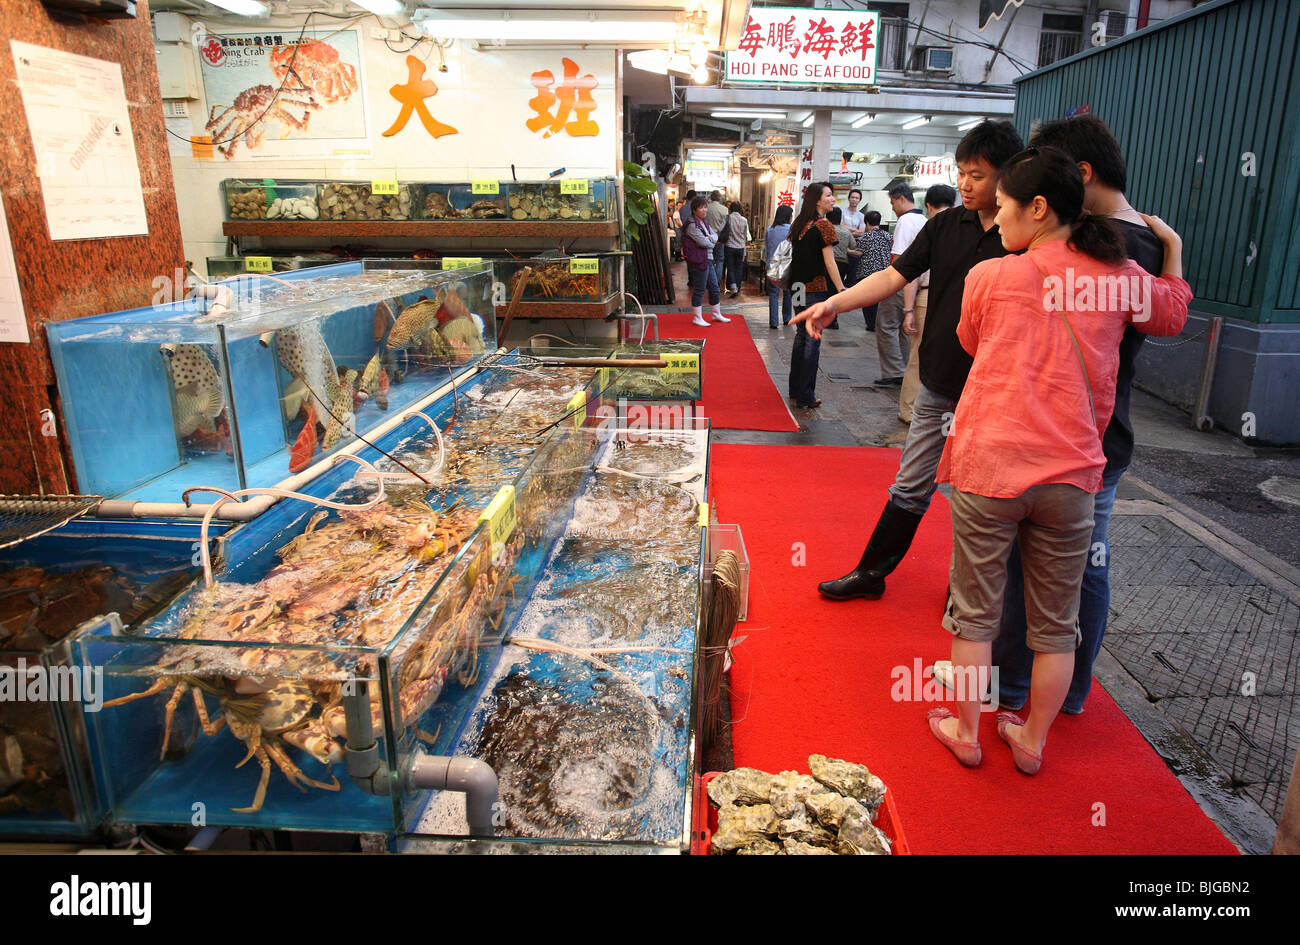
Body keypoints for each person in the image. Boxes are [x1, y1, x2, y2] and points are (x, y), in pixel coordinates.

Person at [924, 146, 1190, 773]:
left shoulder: (992, 274)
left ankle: (965, 730)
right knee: (1055, 624)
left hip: (989, 467)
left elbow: (969, 339)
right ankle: (1031, 740)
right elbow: (1173, 314)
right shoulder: (1121, 274)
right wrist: (1171, 247)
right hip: (1071, 476)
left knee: (974, 616)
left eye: (1005, 207)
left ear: (1037, 209)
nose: (998, 218)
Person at [792, 120, 1024, 602]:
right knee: (910, 482)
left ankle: (967, 594)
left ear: (1009, 175)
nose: (965, 183)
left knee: (978, 496)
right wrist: (836, 303)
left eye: (977, 174)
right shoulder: (945, 224)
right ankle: (871, 573)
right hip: (940, 378)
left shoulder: (1023, 235)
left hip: (997, 389)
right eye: (962, 172)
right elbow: (895, 277)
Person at [899, 184, 957, 422]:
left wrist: (908, 310)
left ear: (928, 206)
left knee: (918, 355)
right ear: (953, 205)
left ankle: (910, 410)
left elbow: (909, 275)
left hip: (925, 296)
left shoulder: (926, 230)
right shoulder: (961, 231)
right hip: (954, 299)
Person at [787, 181, 844, 409]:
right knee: (812, 339)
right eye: (829, 195)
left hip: (798, 287)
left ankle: (795, 388)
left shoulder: (801, 224)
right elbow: (830, 262)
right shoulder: (823, 225)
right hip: (814, 289)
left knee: (801, 336)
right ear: (817, 200)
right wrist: (841, 289)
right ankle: (806, 396)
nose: (832, 199)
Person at [872, 183, 926, 386]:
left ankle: (894, 371)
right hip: (919, 282)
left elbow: (898, 256)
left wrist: (890, 282)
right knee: (905, 328)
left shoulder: (905, 221)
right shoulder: (924, 220)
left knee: (886, 324)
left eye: (893, 202)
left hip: (902, 281)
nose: (893, 207)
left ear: (902, 198)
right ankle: (903, 368)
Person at [682, 196, 729, 327]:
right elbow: (704, 242)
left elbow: (714, 237)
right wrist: (709, 240)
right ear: (694, 209)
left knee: (714, 287)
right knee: (700, 289)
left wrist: (709, 239)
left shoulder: (704, 222)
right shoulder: (691, 224)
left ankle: (716, 314)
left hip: (708, 259)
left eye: (705, 207)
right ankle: (697, 317)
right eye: (701, 208)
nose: (704, 210)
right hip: (699, 261)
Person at [853, 210, 892, 332]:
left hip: (867, 273)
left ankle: (871, 324)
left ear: (867, 223)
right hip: (884, 272)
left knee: (868, 300)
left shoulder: (865, 236)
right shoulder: (888, 236)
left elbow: (859, 253)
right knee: (881, 300)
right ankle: (880, 323)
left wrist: (847, 251)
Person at [763, 204, 794, 328]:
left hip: (773, 265)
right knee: (787, 293)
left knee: (773, 294)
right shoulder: (792, 230)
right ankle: (787, 319)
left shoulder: (770, 230)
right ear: (788, 216)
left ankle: (773, 322)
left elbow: (767, 248)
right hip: (788, 265)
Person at [725, 201, 751, 299]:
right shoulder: (744, 220)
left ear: (731, 208)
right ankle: (738, 287)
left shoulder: (728, 218)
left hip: (730, 246)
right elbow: (745, 234)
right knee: (739, 267)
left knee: (730, 267)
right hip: (740, 247)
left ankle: (733, 287)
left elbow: (722, 229)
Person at [706, 191, 730, 286]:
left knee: (709, 259)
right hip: (720, 238)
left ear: (711, 198)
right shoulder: (724, 209)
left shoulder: (706, 208)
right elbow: (726, 226)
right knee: (720, 259)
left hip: (708, 238)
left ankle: (709, 280)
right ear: (720, 198)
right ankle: (716, 281)